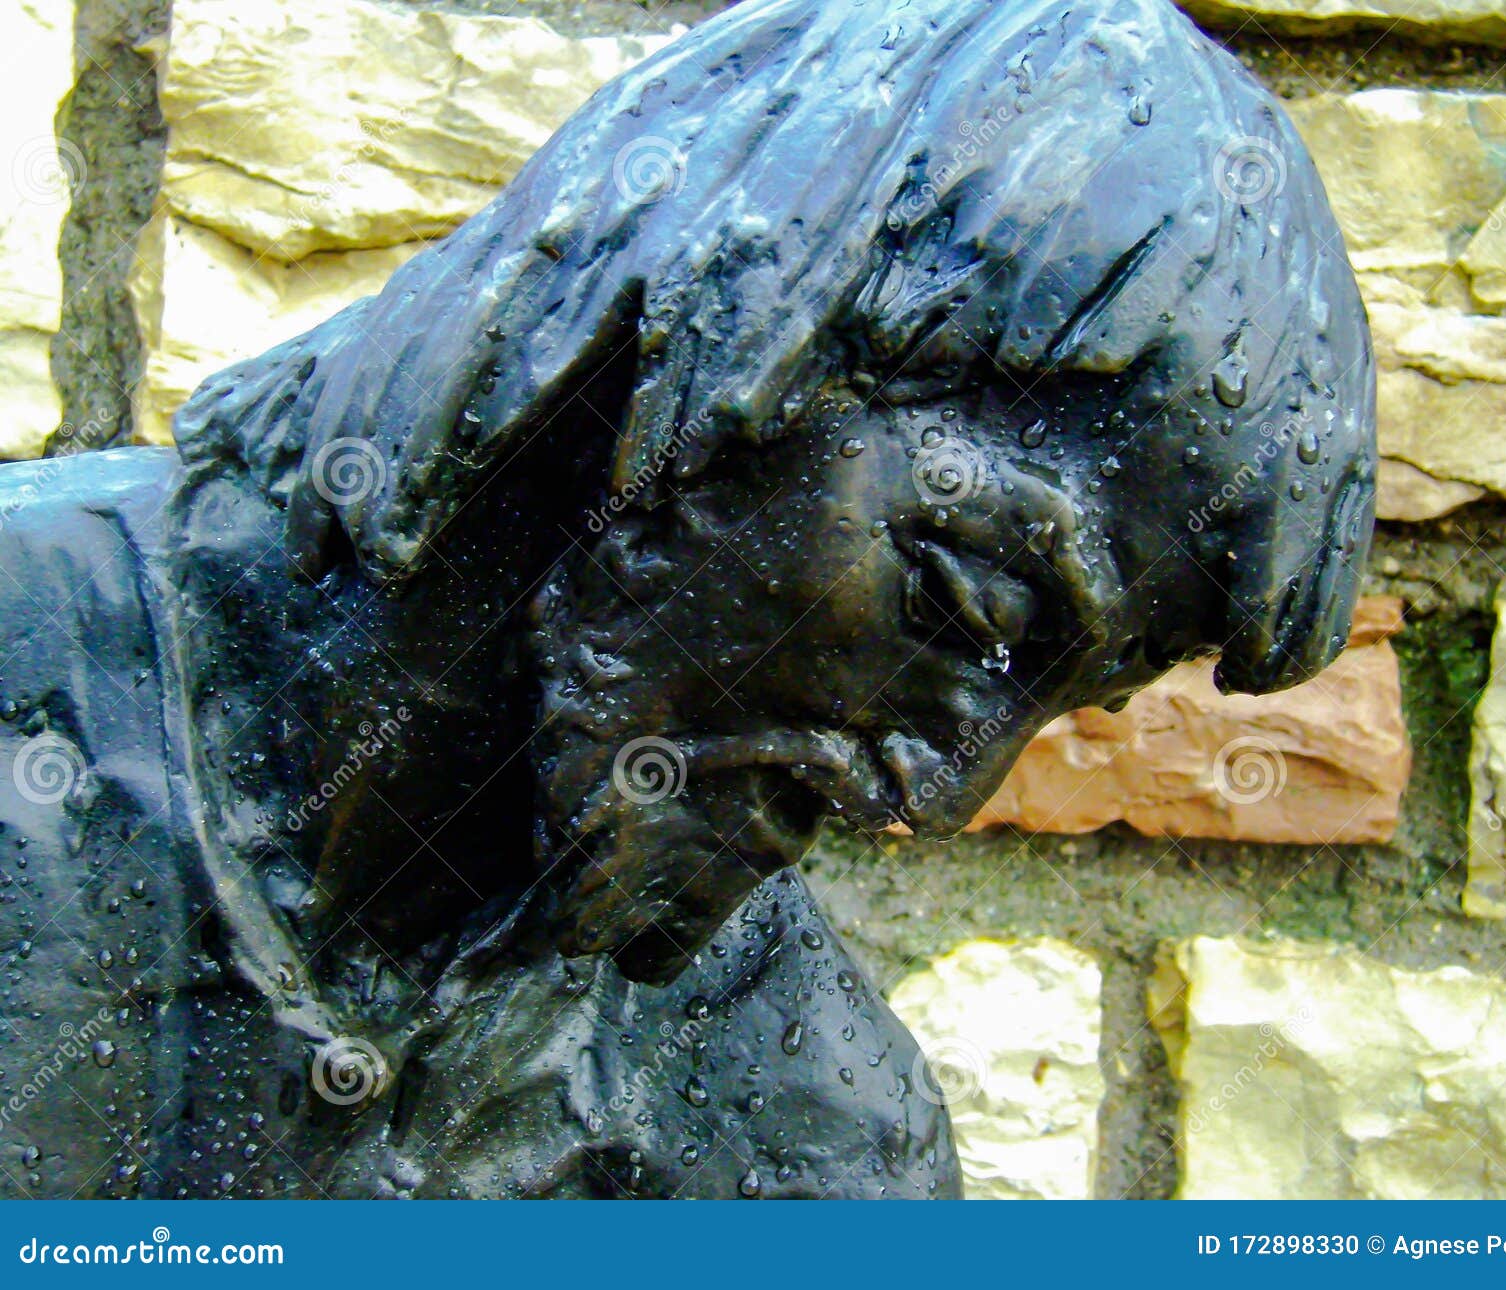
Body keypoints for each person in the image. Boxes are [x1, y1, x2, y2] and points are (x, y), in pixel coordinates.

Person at [0, 0, 1372, 1198]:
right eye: (964, 612)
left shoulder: (806, 1150)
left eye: (1060, 706)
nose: (942, 793)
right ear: (726, 344)